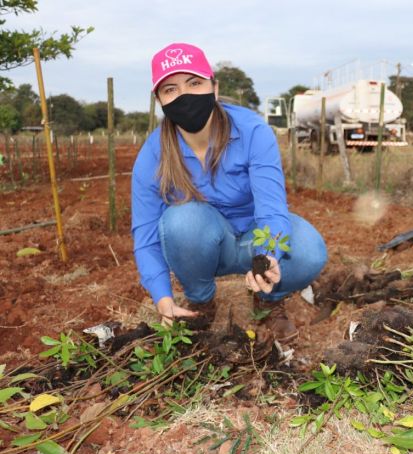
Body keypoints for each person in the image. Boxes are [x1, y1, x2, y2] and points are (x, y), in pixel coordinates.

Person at [131, 42, 327, 340]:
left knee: (310, 250)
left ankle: (268, 298)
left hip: (253, 235)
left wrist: (269, 255)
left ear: (215, 86)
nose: (184, 95)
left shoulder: (251, 131)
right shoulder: (153, 153)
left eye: (194, 83)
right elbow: (145, 235)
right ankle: (201, 300)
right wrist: (162, 297)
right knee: (182, 221)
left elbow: (271, 207)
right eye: (170, 89)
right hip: (206, 246)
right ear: (159, 99)